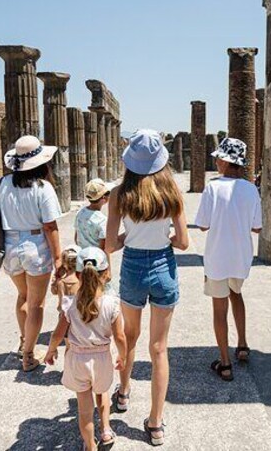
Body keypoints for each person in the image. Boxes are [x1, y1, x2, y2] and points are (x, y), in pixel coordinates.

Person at [105, 128, 189, 447]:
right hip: (163, 267)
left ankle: (124, 392)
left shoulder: (118, 194)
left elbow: (111, 245)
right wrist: (160, 237)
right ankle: (155, 424)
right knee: (159, 348)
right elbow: (182, 242)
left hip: (134, 267)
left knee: (129, 337)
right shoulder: (172, 194)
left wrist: (132, 237)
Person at [44, 247, 126, 451]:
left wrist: (51, 350)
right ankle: (106, 429)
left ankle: (90, 446)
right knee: (102, 392)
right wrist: (122, 356)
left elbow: (57, 334)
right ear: (106, 274)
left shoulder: (70, 305)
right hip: (102, 359)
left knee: (84, 410)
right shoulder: (112, 303)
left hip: (78, 359)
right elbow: (120, 336)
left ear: (77, 274)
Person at [194, 138, 262, 381]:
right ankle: (242, 345)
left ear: (224, 160)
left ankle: (224, 363)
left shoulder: (212, 187)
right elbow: (257, 228)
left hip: (217, 257)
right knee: (237, 295)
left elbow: (202, 225)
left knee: (219, 308)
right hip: (241, 256)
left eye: (217, 158)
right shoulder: (251, 189)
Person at [0, 135, 63, 372]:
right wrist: (58, 258)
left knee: (23, 296)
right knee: (37, 304)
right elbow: (50, 226)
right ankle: (29, 356)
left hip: (10, 245)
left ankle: (25, 342)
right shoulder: (43, 188)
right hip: (35, 246)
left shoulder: (2, 183)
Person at [74, 179, 111, 250]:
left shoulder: (80, 213)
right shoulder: (102, 220)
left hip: (82, 255)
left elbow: (76, 238)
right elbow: (103, 248)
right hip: (96, 258)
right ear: (104, 198)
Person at [52, 245, 81, 313]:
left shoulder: (60, 282)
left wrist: (56, 275)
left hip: (63, 315)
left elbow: (53, 291)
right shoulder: (81, 282)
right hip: (78, 316)